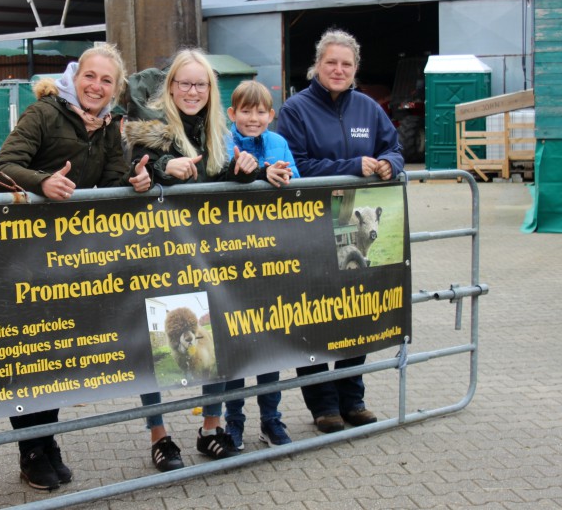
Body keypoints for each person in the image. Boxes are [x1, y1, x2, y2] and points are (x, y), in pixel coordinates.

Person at [0, 43, 151, 491]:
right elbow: (2, 168)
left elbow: (114, 181)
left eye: (106, 80)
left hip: (64, 260)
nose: (96, 86)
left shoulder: (110, 128)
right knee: (28, 355)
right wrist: (43, 182)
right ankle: (31, 450)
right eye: (89, 76)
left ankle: (47, 440)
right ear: (74, 79)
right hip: (16, 255)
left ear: (115, 90)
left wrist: (137, 180)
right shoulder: (43, 113)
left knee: (56, 355)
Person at [123, 48, 259, 472]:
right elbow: (139, 166)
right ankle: (159, 436)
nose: (193, 91)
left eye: (201, 84)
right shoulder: (152, 125)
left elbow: (222, 175)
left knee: (222, 330)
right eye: (185, 83)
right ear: (171, 86)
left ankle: (211, 428)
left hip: (208, 254)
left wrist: (247, 169)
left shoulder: (220, 129)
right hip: (159, 250)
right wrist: (166, 168)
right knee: (155, 336)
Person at [276, 28, 404, 434]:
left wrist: (389, 165)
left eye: (346, 64)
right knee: (313, 315)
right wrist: (351, 166)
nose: (338, 69)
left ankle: (353, 398)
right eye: (331, 62)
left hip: (355, 228)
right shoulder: (295, 110)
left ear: (355, 69)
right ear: (317, 64)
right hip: (310, 227)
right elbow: (294, 166)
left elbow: (395, 147)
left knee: (356, 312)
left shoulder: (369, 108)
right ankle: (323, 404)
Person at [221, 80, 297, 450]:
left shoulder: (279, 143)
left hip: (271, 256)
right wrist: (256, 174)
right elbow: (220, 182)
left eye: (261, 112)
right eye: (245, 111)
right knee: (235, 344)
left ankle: (272, 419)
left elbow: (296, 180)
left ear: (271, 115)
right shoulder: (222, 140)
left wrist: (283, 174)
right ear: (232, 114)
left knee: (269, 343)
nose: (253, 118)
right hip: (234, 257)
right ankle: (232, 420)